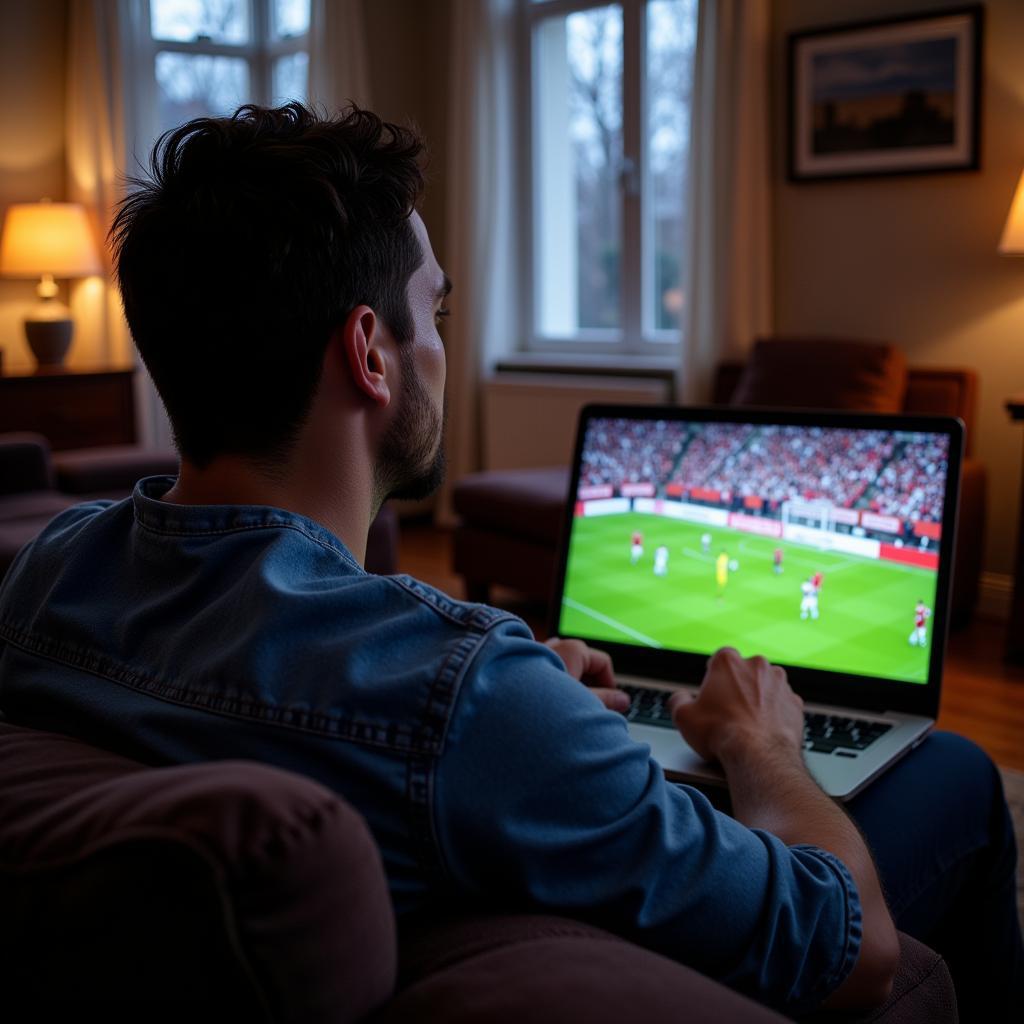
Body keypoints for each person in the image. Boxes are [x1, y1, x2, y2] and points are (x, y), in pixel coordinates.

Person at [0, 104, 1019, 1018]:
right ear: (370, 350)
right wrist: (762, 745)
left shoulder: (49, 568)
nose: (442, 342)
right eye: (434, 313)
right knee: (961, 771)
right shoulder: (463, 694)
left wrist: (523, 693)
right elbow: (850, 949)